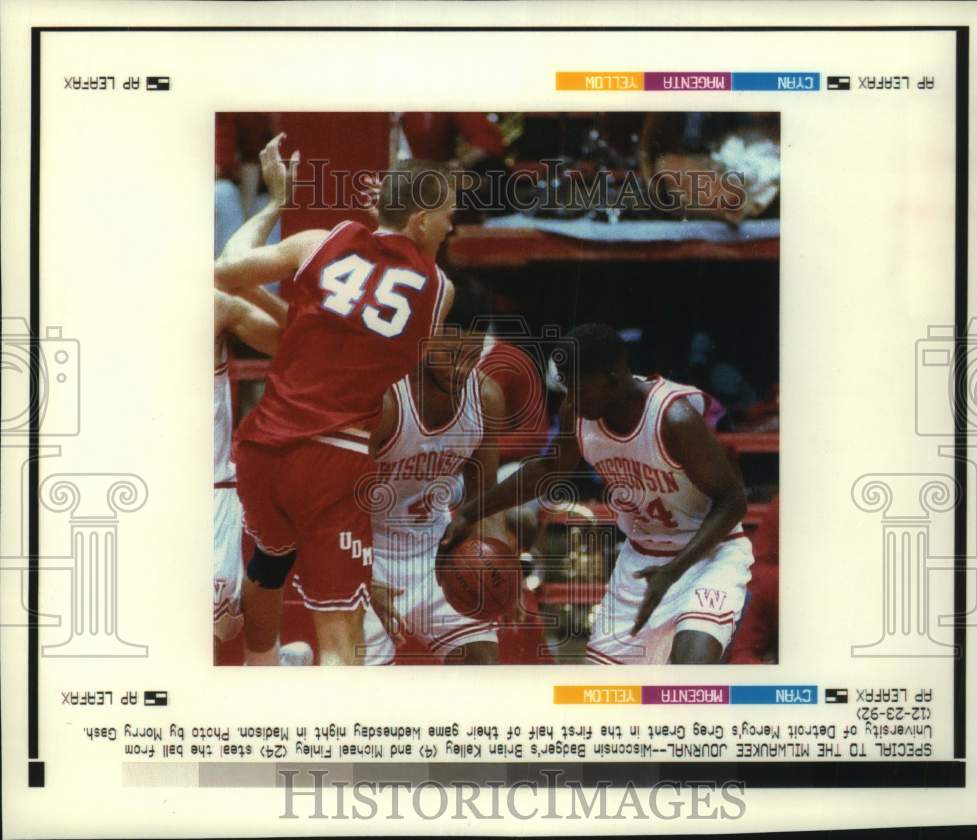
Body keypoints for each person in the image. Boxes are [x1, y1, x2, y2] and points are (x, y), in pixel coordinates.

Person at [215, 136, 456, 666]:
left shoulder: (320, 241)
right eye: (446, 217)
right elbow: (380, 340)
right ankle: (331, 745)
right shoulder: (439, 289)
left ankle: (262, 674)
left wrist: (277, 204)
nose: (451, 227)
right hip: (331, 459)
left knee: (268, 568)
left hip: (260, 449)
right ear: (419, 222)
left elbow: (227, 266)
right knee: (340, 639)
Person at [443, 323, 753, 664]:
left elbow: (733, 501)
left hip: (709, 555)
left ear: (614, 377)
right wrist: (473, 512)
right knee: (604, 702)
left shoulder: (673, 418)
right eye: (566, 386)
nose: (571, 399)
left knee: (690, 674)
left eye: (578, 387)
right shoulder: (576, 413)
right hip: (642, 561)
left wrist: (676, 569)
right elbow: (547, 471)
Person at [360, 284, 507, 665]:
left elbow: (485, 502)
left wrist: (502, 573)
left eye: (472, 354)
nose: (462, 366)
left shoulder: (486, 398)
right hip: (368, 554)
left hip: (435, 558)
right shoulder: (386, 401)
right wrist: (359, 577)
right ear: (424, 338)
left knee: (483, 662)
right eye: (453, 353)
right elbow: (338, 504)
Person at [213, 133, 312, 667]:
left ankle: (267, 666)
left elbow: (297, 344)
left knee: (196, 656)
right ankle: (269, 665)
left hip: (210, 490)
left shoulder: (215, 303)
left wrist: (276, 203)